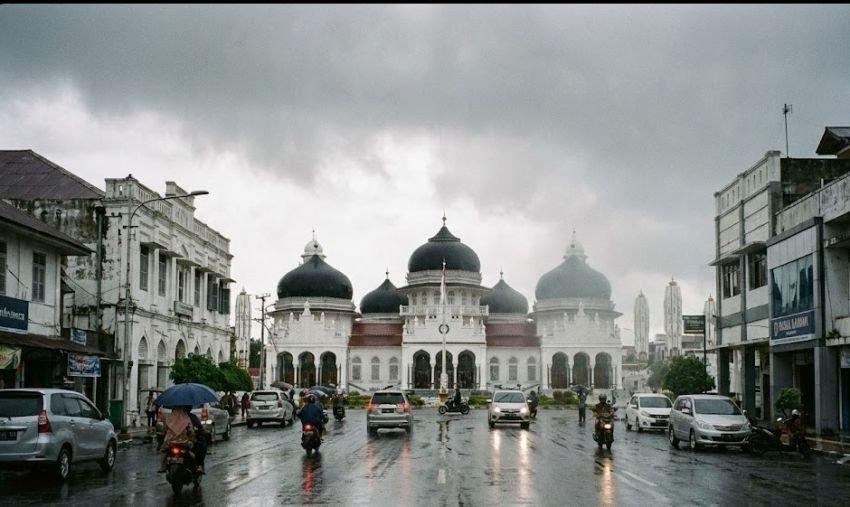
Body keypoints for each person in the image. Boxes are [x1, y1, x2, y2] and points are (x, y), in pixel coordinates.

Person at [158, 406, 195, 473]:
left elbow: (164, 430)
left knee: (163, 451)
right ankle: (194, 468)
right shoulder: (186, 419)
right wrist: (191, 437)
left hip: (169, 442)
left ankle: (162, 467)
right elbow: (191, 431)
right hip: (184, 441)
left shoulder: (169, 418)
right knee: (192, 452)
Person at [187, 410, 208, 474]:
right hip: (187, 441)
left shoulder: (173, 416)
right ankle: (199, 465)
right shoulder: (192, 417)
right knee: (201, 447)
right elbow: (199, 427)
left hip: (172, 440)